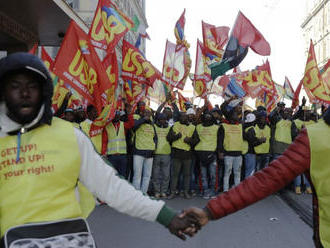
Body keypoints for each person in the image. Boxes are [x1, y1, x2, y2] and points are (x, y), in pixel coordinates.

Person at [0, 52, 198, 246]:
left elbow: (112, 186)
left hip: (70, 240)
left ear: (43, 91)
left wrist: (166, 216)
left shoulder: (70, 136)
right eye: (15, 86)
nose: (24, 93)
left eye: (32, 86)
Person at [183, 108, 330, 248]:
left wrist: (210, 212)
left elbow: (266, 180)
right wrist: (210, 211)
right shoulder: (314, 136)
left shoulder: (314, 135)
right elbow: (266, 180)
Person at [167, 112, 197, 199]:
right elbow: (168, 138)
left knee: (187, 175)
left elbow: (196, 140)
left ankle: (186, 192)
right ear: (179, 117)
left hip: (187, 155)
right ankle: (172, 192)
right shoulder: (175, 125)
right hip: (176, 154)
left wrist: (189, 140)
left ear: (187, 118)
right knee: (175, 175)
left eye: (185, 116)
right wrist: (176, 136)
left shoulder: (192, 127)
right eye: (182, 116)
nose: (183, 118)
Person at [218, 98, 244, 192]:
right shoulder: (224, 126)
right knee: (227, 173)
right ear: (230, 115)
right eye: (235, 114)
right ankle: (225, 191)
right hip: (228, 154)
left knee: (237, 173)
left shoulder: (240, 125)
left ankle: (237, 191)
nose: (237, 115)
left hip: (238, 154)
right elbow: (220, 141)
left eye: (237, 114)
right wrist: (220, 152)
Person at [194, 110, 219, 199]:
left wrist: (216, 152)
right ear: (203, 118)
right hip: (201, 153)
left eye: (209, 117)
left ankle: (213, 191)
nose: (207, 118)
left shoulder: (216, 127)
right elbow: (195, 139)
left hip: (212, 153)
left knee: (213, 174)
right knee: (203, 175)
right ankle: (205, 190)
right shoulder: (198, 127)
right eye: (206, 117)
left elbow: (219, 141)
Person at [132, 106, 156, 194]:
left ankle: (144, 194)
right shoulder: (137, 120)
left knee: (147, 176)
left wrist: (154, 147)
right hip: (138, 152)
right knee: (137, 175)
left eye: (149, 113)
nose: (147, 114)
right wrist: (143, 119)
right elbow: (133, 126)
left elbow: (155, 137)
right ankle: (136, 195)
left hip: (150, 153)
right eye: (145, 112)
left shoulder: (152, 123)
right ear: (142, 113)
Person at [106, 108, 134, 178]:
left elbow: (131, 124)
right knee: (111, 177)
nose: (116, 116)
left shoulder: (123, 125)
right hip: (111, 157)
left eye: (118, 114)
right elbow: (104, 141)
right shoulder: (107, 126)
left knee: (122, 177)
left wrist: (129, 114)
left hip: (122, 156)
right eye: (115, 114)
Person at [152, 113, 171, 198]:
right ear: (158, 120)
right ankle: (156, 191)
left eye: (164, 119)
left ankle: (163, 191)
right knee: (155, 174)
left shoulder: (169, 128)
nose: (162, 121)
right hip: (156, 153)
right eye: (161, 119)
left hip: (166, 153)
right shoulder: (154, 127)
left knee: (166, 175)